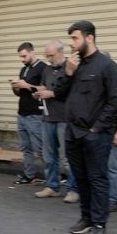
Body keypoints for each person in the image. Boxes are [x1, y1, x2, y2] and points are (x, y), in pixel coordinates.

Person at [42, 21, 117, 234]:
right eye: (70, 39)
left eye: (75, 38)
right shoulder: (74, 65)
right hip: (73, 132)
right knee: (80, 178)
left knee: (97, 178)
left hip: (95, 134)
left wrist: (96, 129)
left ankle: (99, 224)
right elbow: (58, 93)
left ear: (89, 38)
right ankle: (86, 218)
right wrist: (68, 73)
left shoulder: (108, 67)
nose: (71, 43)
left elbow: (115, 103)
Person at [32, 41, 80, 202]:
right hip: (48, 117)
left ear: (61, 52)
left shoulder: (70, 67)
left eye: (51, 55)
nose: (49, 59)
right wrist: (39, 92)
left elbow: (73, 91)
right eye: (47, 56)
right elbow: (45, 86)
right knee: (49, 156)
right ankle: (52, 186)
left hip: (65, 118)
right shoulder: (47, 69)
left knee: (68, 157)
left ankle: (74, 189)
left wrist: (50, 94)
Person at [11, 42, 47, 184]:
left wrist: (27, 85)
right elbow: (20, 94)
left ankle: (52, 177)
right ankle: (29, 174)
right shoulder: (24, 70)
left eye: (24, 56)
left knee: (40, 147)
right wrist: (15, 87)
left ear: (32, 53)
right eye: (20, 57)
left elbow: (46, 88)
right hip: (22, 113)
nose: (22, 59)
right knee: (25, 147)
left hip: (35, 113)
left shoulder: (43, 68)